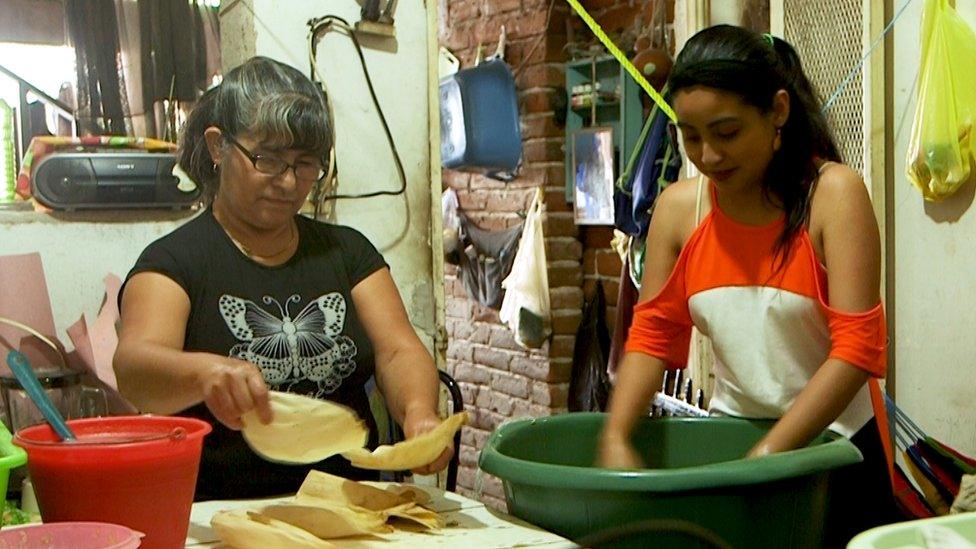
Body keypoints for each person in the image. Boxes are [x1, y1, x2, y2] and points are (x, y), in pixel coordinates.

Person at [597, 26, 898, 545]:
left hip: (835, 454)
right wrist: (617, 435)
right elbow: (652, 335)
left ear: (777, 111)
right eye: (690, 136)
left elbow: (857, 350)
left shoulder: (833, 196)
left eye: (727, 132)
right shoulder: (679, 210)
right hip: (731, 443)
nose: (708, 155)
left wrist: (769, 456)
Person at [114, 56, 450, 500]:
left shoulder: (346, 252)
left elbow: (396, 349)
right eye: (267, 159)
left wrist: (419, 413)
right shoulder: (174, 263)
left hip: (349, 502)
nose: (289, 182)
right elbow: (134, 368)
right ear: (218, 147)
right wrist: (206, 373)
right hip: (220, 513)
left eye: (306, 163)